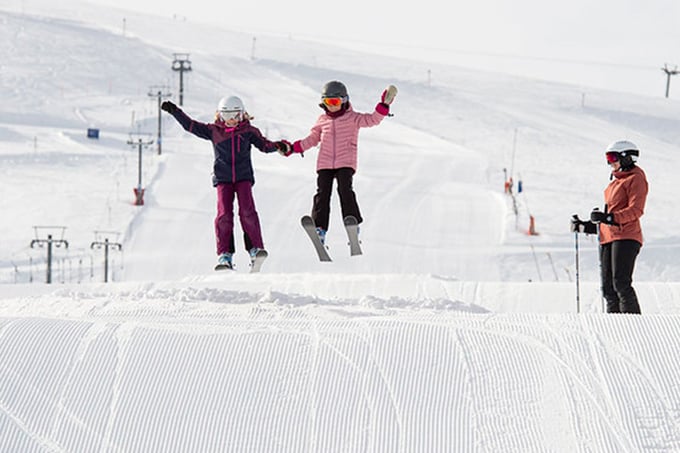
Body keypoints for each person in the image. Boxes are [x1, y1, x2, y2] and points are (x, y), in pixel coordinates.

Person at [161, 96, 288, 270]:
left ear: (242, 114)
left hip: (243, 177)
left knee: (247, 211)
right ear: (219, 115)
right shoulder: (214, 131)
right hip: (223, 179)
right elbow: (190, 126)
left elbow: (265, 146)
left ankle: (255, 250)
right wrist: (175, 111)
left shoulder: (249, 131)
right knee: (224, 215)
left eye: (235, 115)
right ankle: (225, 255)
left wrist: (279, 146)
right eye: (226, 116)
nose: (231, 120)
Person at [280, 80, 397, 245]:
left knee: (345, 190)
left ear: (344, 100)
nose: (331, 106)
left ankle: (352, 224)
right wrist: (292, 148)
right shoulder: (322, 120)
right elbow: (312, 140)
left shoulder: (353, 118)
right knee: (322, 194)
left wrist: (383, 105)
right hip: (325, 163)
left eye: (334, 102)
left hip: (345, 162)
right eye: (327, 102)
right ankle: (319, 229)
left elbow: (373, 120)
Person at [572, 140, 648, 313]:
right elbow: (609, 219)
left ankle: (633, 326)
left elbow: (636, 210)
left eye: (613, 157)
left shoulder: (636, 178)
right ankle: (614, 328)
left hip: (627, 236)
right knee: (608, 289)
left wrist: (608, 217)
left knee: (620, 283)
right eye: (607, 158)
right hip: (608, 238)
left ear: (627, 158)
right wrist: (586, 226)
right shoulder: (614, 183)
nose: (610, 162)